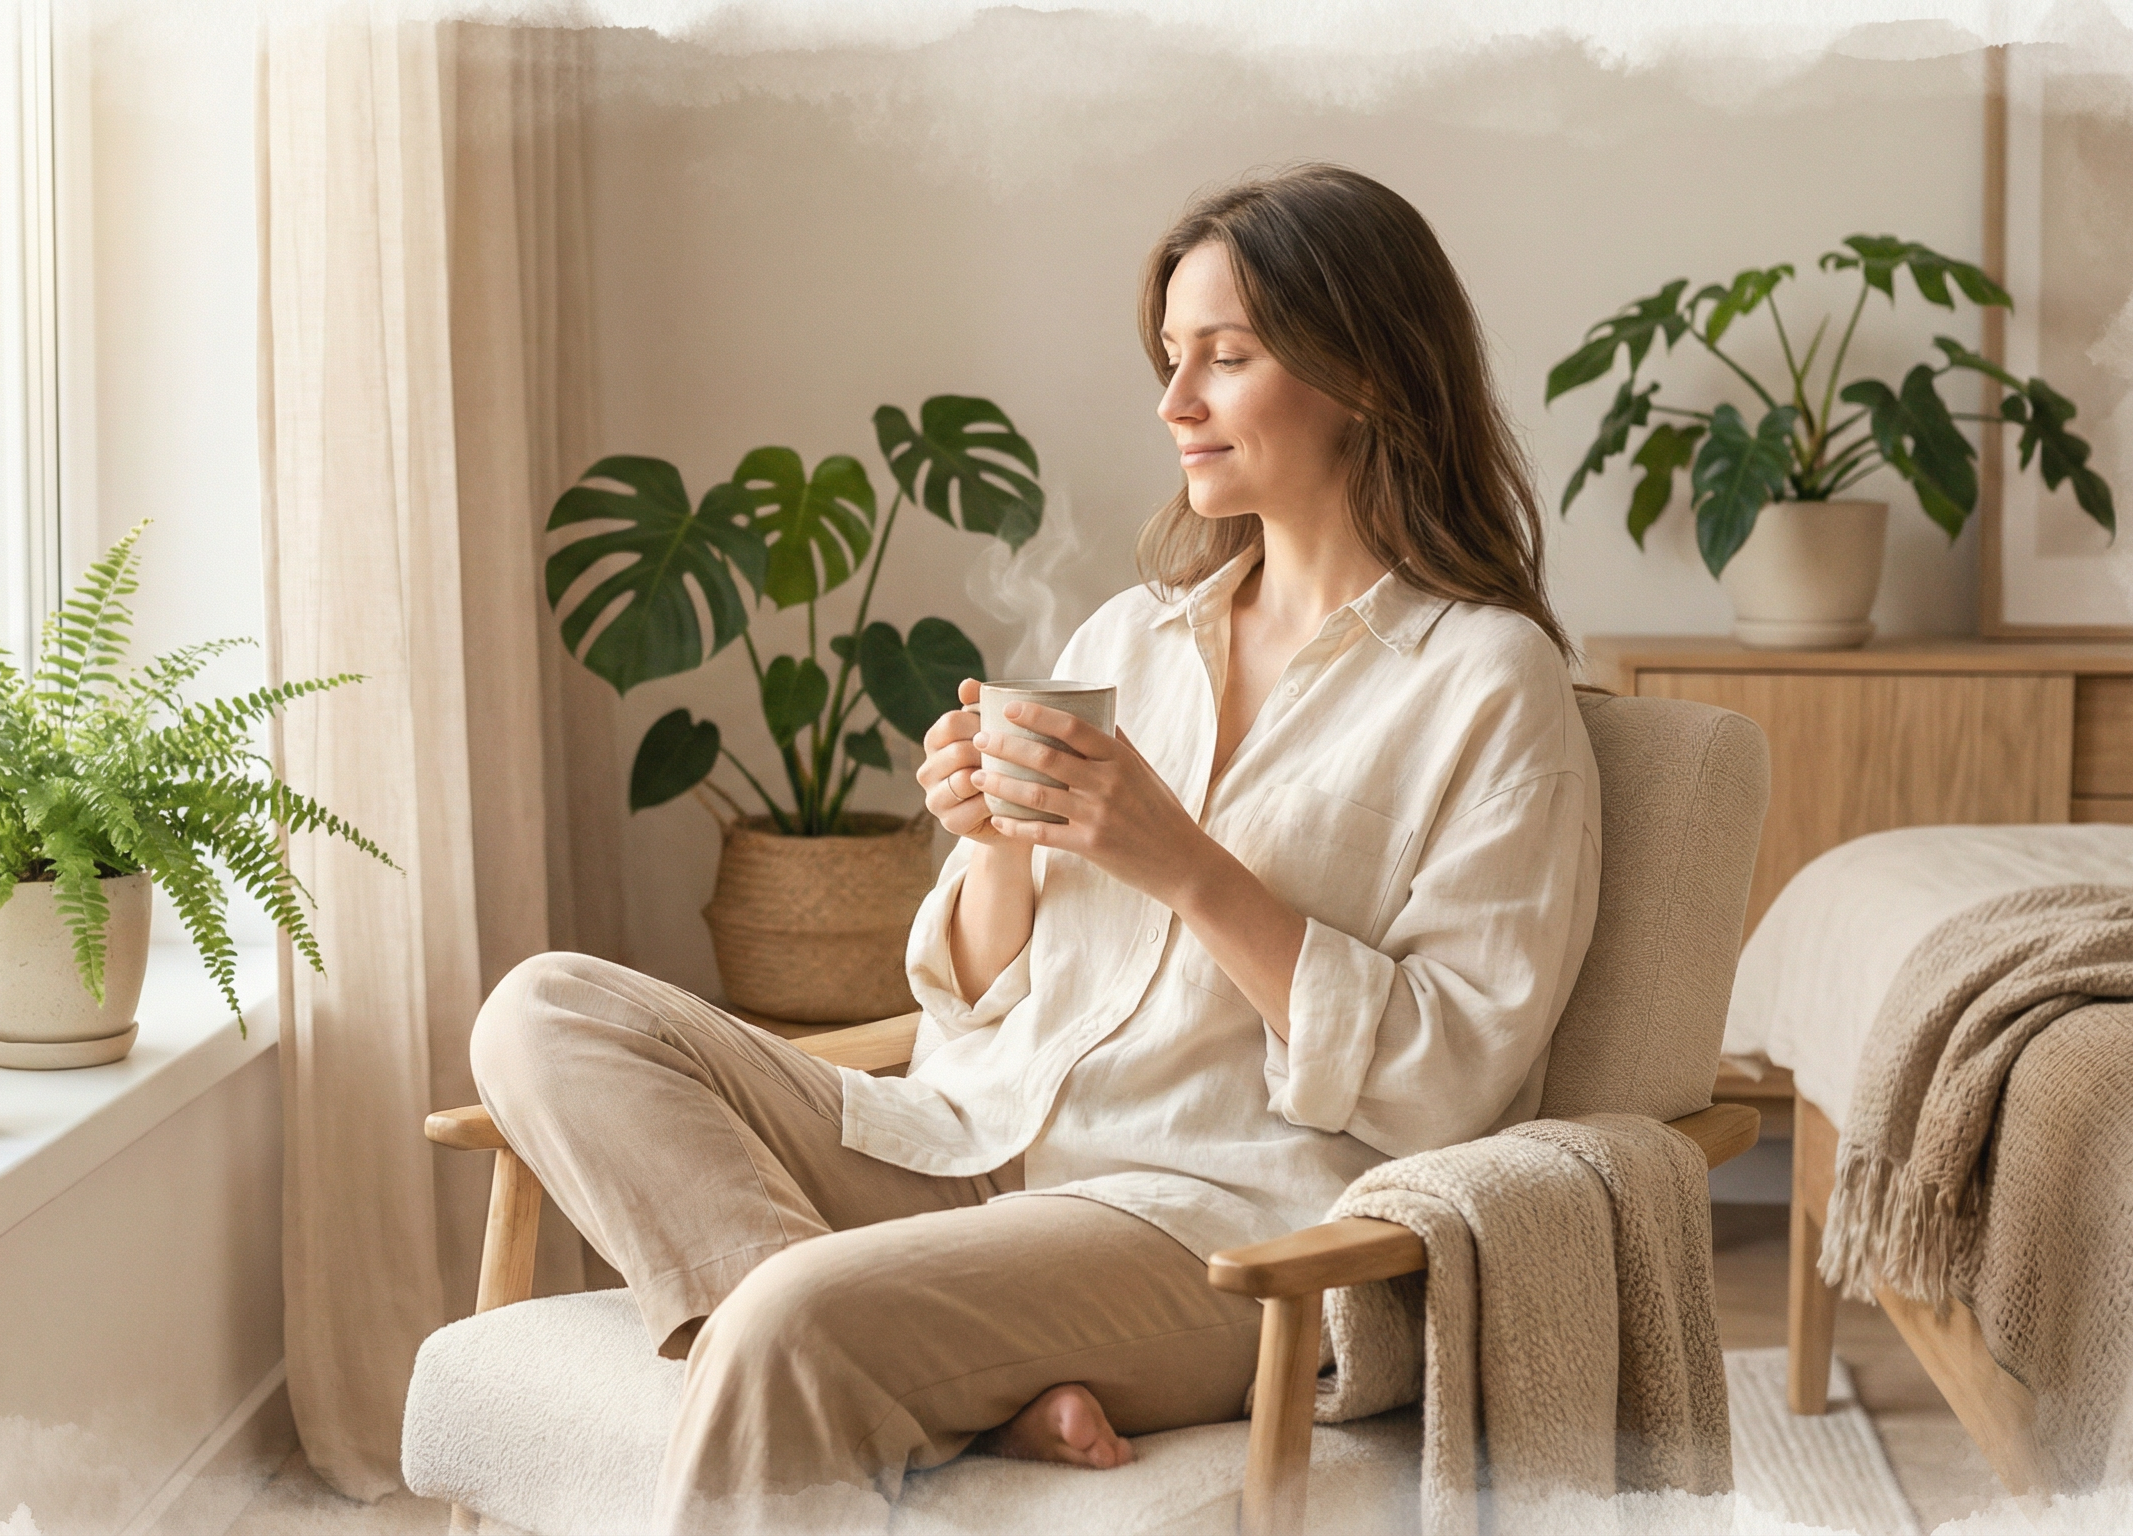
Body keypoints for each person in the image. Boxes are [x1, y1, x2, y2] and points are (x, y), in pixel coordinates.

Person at [470, 163, 1601, 1534]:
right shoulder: (1133, 636)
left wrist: (1183, 863)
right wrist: (993, 842)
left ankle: (848, 1345)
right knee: (547, 1010)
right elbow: (966, 993)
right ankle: (935, 1376)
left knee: (793, 1322)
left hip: (1212, 1224)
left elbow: (1453, 1082)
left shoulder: (1486, 682)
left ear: (1366, 372)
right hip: (970, 1141)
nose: (1175, 404)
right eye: (1170, 360)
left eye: (1225, 360)